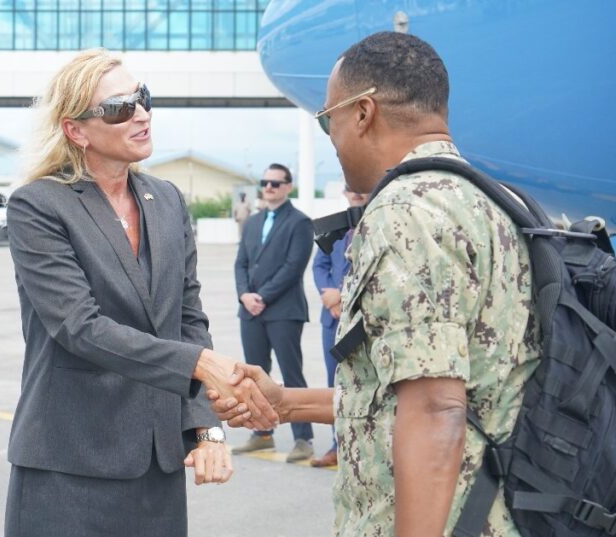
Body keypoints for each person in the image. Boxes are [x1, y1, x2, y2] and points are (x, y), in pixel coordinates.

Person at [212, 32, 540, 536]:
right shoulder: (485, 199)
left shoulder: (405, 209)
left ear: (363, 113)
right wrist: (287, 403)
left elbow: (435, 407)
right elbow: (410, 392)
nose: (332, 137)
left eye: (328, 121)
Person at [3, 49, 276, 537]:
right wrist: (199, 364)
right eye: (119, 107)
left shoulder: (167, 200)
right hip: (67, 466)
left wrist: (206, 427)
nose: (142, 114)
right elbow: (79, 328)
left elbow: (189, 320)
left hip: (157, 465)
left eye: (143, 98)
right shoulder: (38, 206)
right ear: (76, 130)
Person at [230, 164, 315, 462]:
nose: (269, 187)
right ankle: (262, 434)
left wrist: (262, 297)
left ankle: (303, 437)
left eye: (276, 183)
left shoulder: (300, 223)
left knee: (291, 374)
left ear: (288, 186)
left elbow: (294, 267)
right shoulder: (253, 222)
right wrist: (244, 296)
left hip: (283, 311)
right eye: (265, 183)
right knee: (254, 376)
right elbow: (241, 263)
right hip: (251, 311)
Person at [309, 186, 368, 468]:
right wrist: (327, 293)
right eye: (350, 188)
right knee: (335, 383)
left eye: (360, 188)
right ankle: (338, 445)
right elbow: (319, 265)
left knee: (363, 384)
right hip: (331, 319)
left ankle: (360, 447)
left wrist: (343, 297)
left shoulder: (378, 223)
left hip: (361, 321)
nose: (355, 193)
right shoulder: (336, 227)